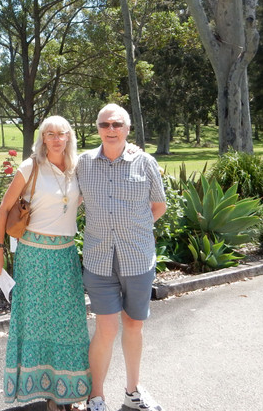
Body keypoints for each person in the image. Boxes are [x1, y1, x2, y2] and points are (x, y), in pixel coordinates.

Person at [0, 116, 92, 411]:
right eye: (51, 134)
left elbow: (107, 155)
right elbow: (3, 210)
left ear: (70, 137)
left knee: (69, 324)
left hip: (65, 254)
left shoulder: (77, 168)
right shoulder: (30, 166)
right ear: (43, 138)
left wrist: (132, 149)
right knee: (35, 322)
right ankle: (45, 392)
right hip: (33, 256)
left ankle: (66, 393)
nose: (57, 139)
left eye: (62, 134)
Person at [76, 104, 167, 411]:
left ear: (128, 129)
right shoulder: (84, 163)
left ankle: (133, 392)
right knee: (106, 328)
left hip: (138, 258)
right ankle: (96, 397)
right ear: (98, 128)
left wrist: (136, 230)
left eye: (117, 124)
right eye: (105, 124)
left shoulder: (145, 162)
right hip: (98, 259)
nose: (111, 129)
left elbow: (158, 205)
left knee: (133, 324)